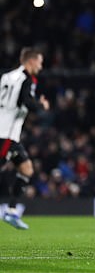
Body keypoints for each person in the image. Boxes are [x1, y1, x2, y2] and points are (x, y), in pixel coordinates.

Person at [0, 48, 50, 230]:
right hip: (6, 134)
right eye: (40, 62)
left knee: (27, 169)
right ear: (30, 61)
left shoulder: (7, 76)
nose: (41, 66)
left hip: (9, 133)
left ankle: (11, 211)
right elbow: (26, 102)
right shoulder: (27, 79)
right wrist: (41, 105)